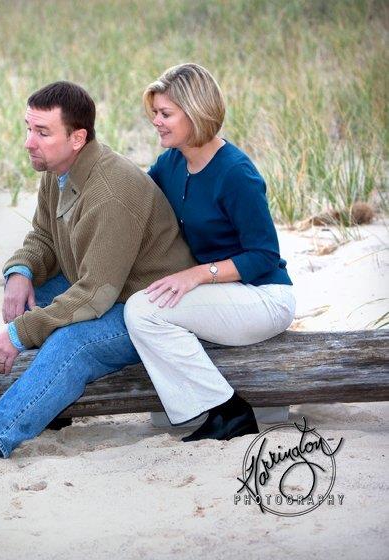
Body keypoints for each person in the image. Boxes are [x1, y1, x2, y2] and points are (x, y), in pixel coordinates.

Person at [0, 80, 196, 470]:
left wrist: (19, 334)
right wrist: (21, 270)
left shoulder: (111, 192)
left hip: (149, 308)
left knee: (72, 343)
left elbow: (94, 294)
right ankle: (51, 402)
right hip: (107, 288)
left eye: (42, 132)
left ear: (77, 138)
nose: (29, 142)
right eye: (28, 128)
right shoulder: (59, 169)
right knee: (32, 294)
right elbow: (44, 236)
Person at [124, 63, 296, 442]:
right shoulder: (171, 163)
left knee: (143, 310)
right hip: (220, 295)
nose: (156, 121)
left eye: (165, 113)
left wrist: (196, 275)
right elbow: (137, 202)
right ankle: (208, 407)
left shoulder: (236, 173)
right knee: (147, 309)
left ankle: (230, 412)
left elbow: (264, 255)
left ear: (195, 112)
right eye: (154, 112)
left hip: (264, 297)